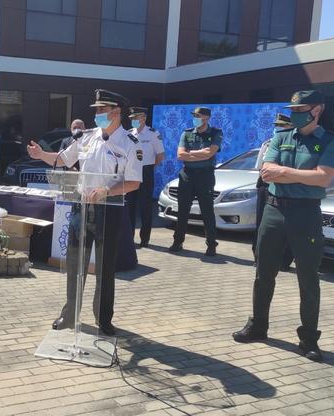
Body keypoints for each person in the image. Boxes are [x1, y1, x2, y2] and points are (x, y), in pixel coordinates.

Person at [233, 90, 334, 362]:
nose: (295, 114)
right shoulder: (281, 137)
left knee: (308, 277)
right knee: (264, 272)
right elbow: (266, 170)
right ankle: (258, 325)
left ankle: (308, 338)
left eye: (301, 109)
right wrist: (297, 175)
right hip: (274, 211)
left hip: (306, 215)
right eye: (293, 109)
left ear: (317, 110)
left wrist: (284, 173)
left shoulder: (328, 142)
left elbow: (323, 178)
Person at [27, 89, 143, 336]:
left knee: (104, 267)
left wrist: (106, 191)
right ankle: (69, 315)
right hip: (82, 206)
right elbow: (62, 159)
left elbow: (133, 182)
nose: (98, 114)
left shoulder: (130, 143)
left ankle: (104, 319)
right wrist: (40, 155)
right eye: (97, 110)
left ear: (117, 112)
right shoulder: (86, 137)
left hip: (109, 211)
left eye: (102, 110)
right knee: (74, 264)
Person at [169, 107, 222, 256]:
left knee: (207, 211)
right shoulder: (187, 133)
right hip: (187, 175)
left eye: (198, 116)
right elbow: (180, 155)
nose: (195, 118)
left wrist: (190, 153)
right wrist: (200, 154)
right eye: (194, 116)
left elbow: (210, 153)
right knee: (183, 210)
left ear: (206, 118)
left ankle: (211, 244)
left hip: (205, 176)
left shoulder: (215, 133)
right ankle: (177, 241)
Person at [253, 113, 295, 271]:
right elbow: (260, 167)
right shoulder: (268, 143)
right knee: (262, 225)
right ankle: (258, 257)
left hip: (284, 189)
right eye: (276, 126)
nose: (278, 129)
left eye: (282, 126)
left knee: (285, 227)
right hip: (265, 187)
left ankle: (284, 261)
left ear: (291, 126)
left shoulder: (296, 145)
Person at [126, 107, 164, 248]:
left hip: (146, 171)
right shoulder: (129, 134)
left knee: (145, 206)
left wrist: (149, 168)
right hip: (131, 171)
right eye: (132, 118)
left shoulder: (153, 134)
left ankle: (145, 239)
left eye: (136, 117)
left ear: (144, 118)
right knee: (130, 205)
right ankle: (129, 237)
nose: (133, 120)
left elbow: (160, 156)